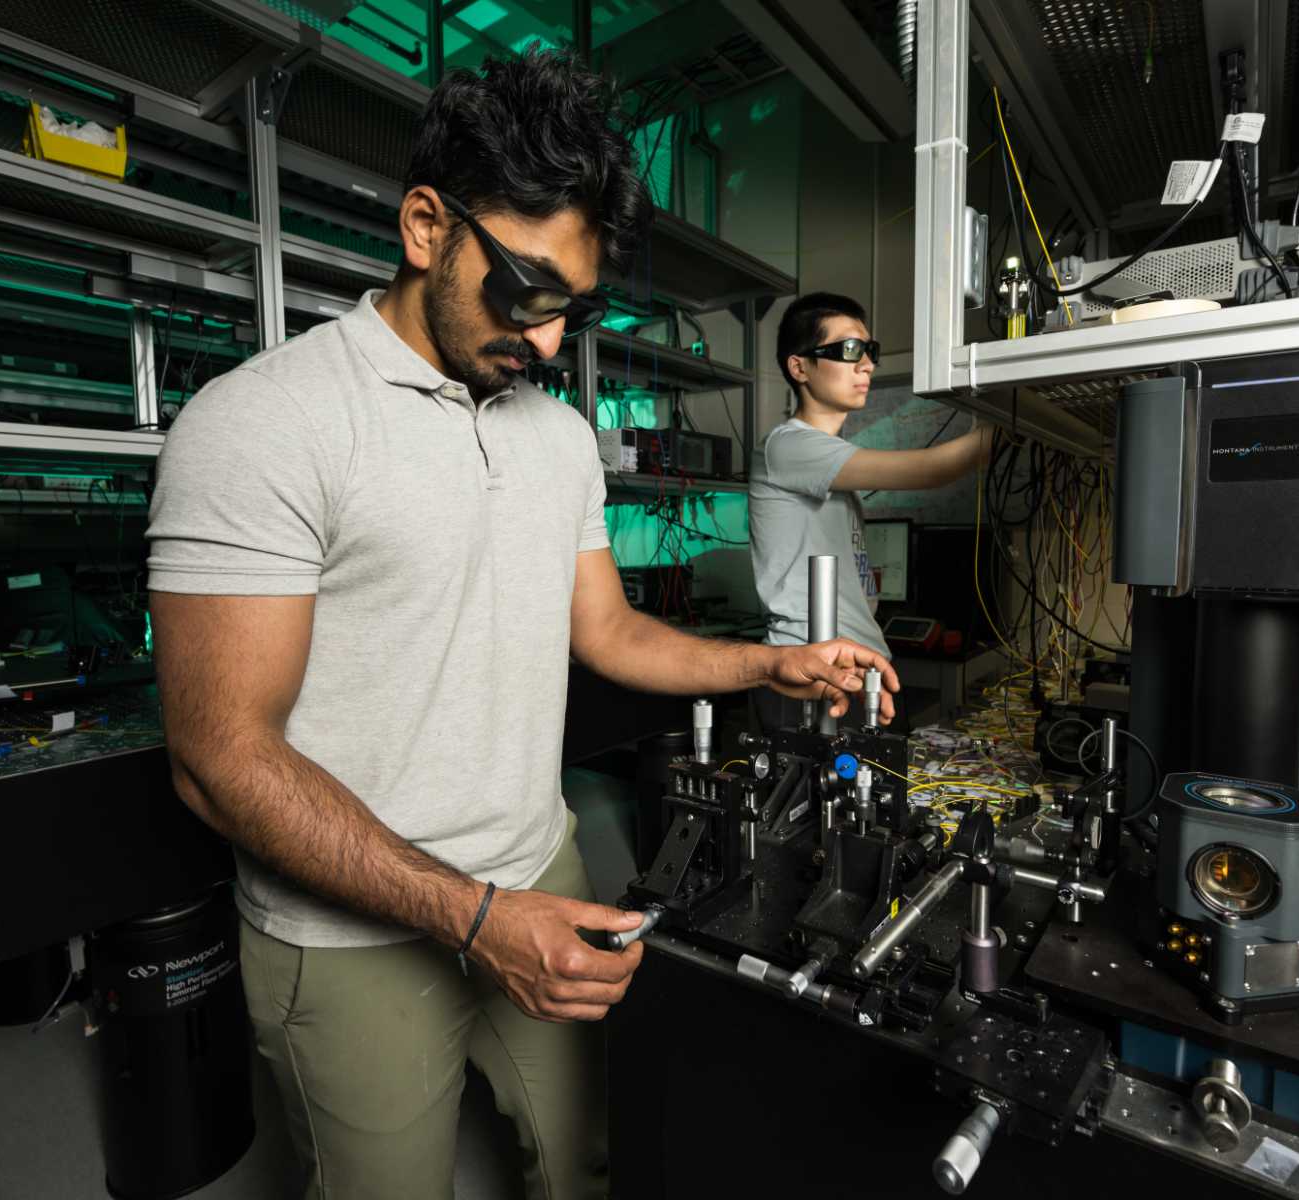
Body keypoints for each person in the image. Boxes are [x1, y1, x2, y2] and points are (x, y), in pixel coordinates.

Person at [144, 51, 898, 1200]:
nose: (547, 342)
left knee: (595, 1158)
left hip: (538, 871)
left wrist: (768, 662)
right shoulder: (261, 426)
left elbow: (606, 633)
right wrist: (474, 919)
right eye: (524, 292)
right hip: (351, 934)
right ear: (422, 226)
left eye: (572, 310)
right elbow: (218, 757)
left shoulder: (553, 436)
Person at [749, 293, 993, 726]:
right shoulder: (788, 446)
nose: (866, 365)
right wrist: (1013, 418)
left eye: (870, 351)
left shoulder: (825, 457)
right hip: (813, 672)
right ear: (799, 366)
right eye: (849, 350)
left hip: (853, 669)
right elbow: (933, 469)